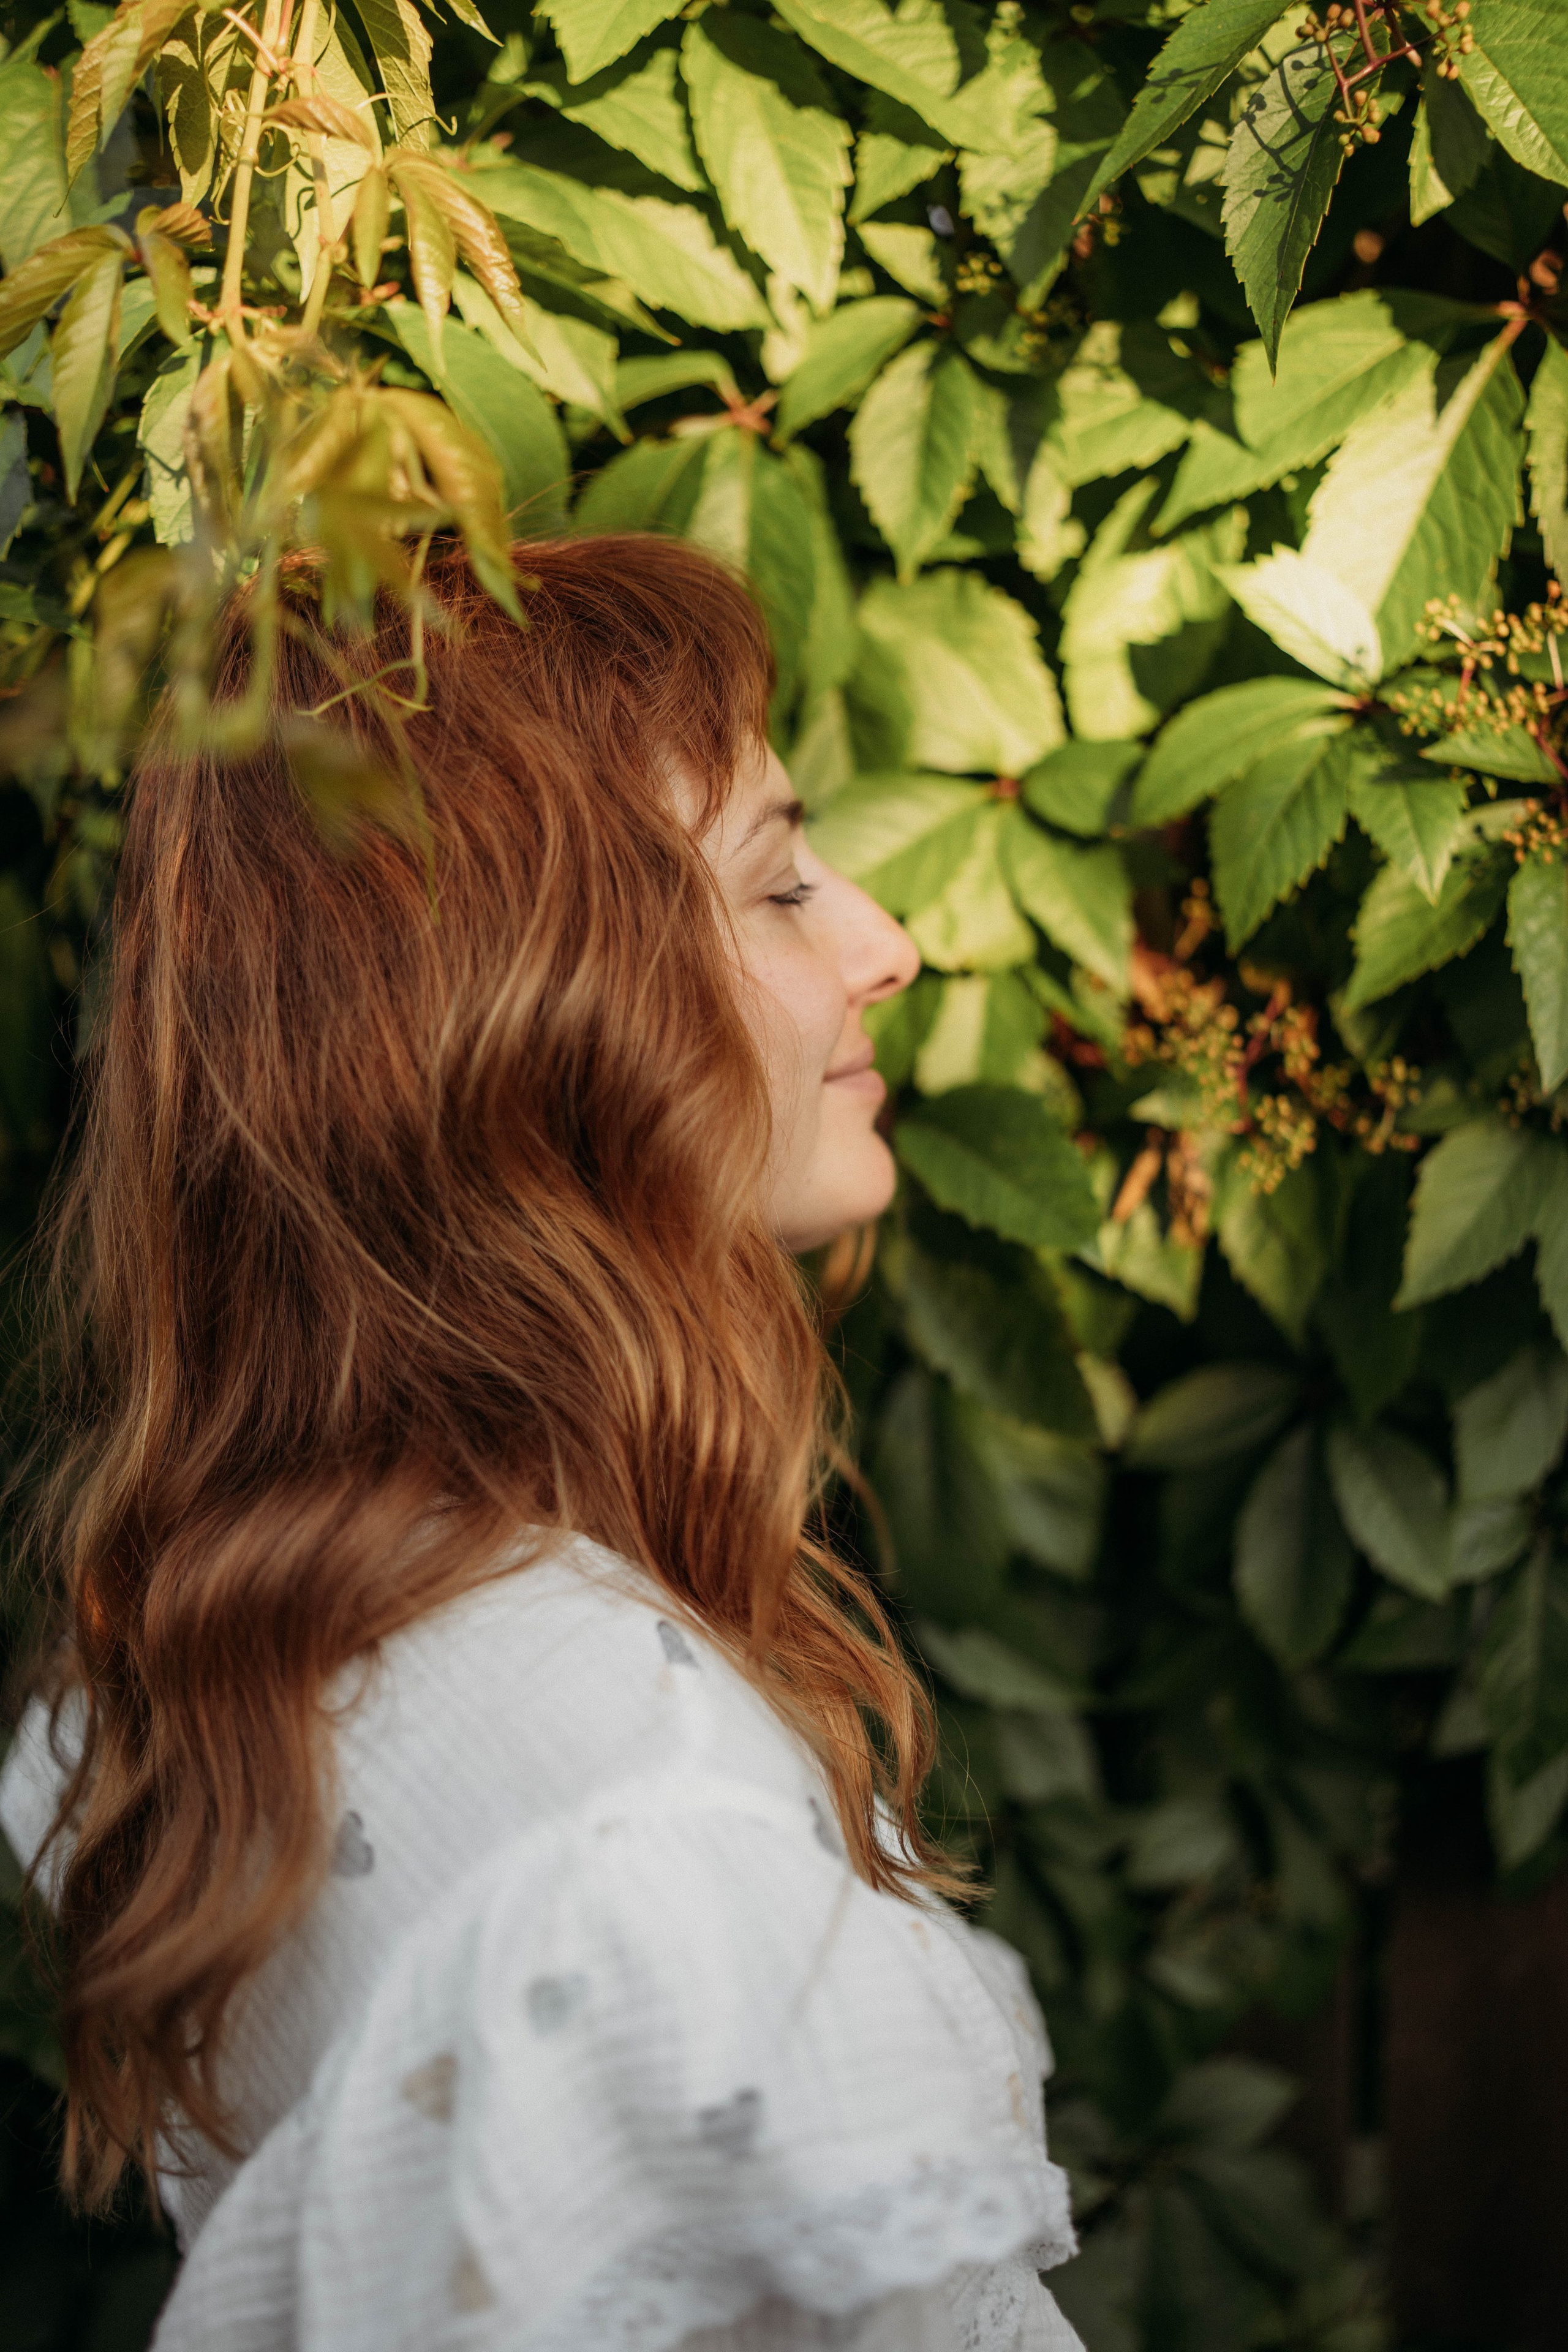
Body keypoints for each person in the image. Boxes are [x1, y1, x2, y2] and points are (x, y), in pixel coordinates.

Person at [0, 537, 1081, 2350]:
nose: (887, 944)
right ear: (531, 1019)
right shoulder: (627, 1800)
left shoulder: (315, 1657)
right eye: (779, 883)